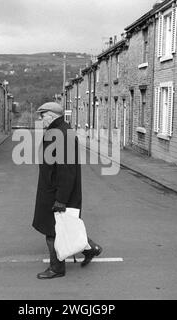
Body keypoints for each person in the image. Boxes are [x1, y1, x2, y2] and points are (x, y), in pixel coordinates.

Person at [33, 102, 102, 280]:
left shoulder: (62, 135)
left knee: (52, 232)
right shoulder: (59, 131)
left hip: (57, 193)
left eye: (43, 115)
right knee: (66, 227)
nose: (41, 119)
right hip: (52, 190)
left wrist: (61, 199)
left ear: (53, 114)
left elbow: (67, 171)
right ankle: (91, 248)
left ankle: (57, 268)